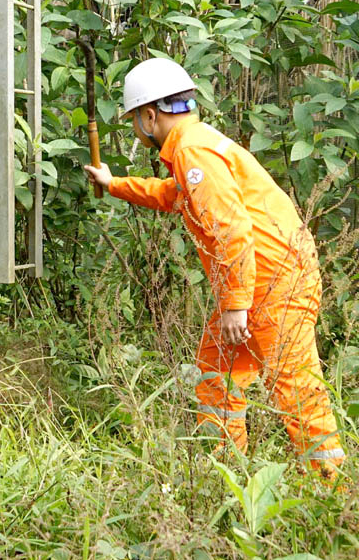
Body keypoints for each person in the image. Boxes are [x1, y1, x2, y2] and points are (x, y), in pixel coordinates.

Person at [83, 57, 345, 474]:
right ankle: (224, 472)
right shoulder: (196, 142)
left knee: (296, 390)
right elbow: (175, 195)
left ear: (151, 115)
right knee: (216, 371)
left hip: (274, 282)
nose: (138, 126)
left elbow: (231, 230)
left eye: (137, 118)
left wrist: (236, 305)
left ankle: (333, 495)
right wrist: (114, 184)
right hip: (264, 277)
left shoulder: (193, 151)